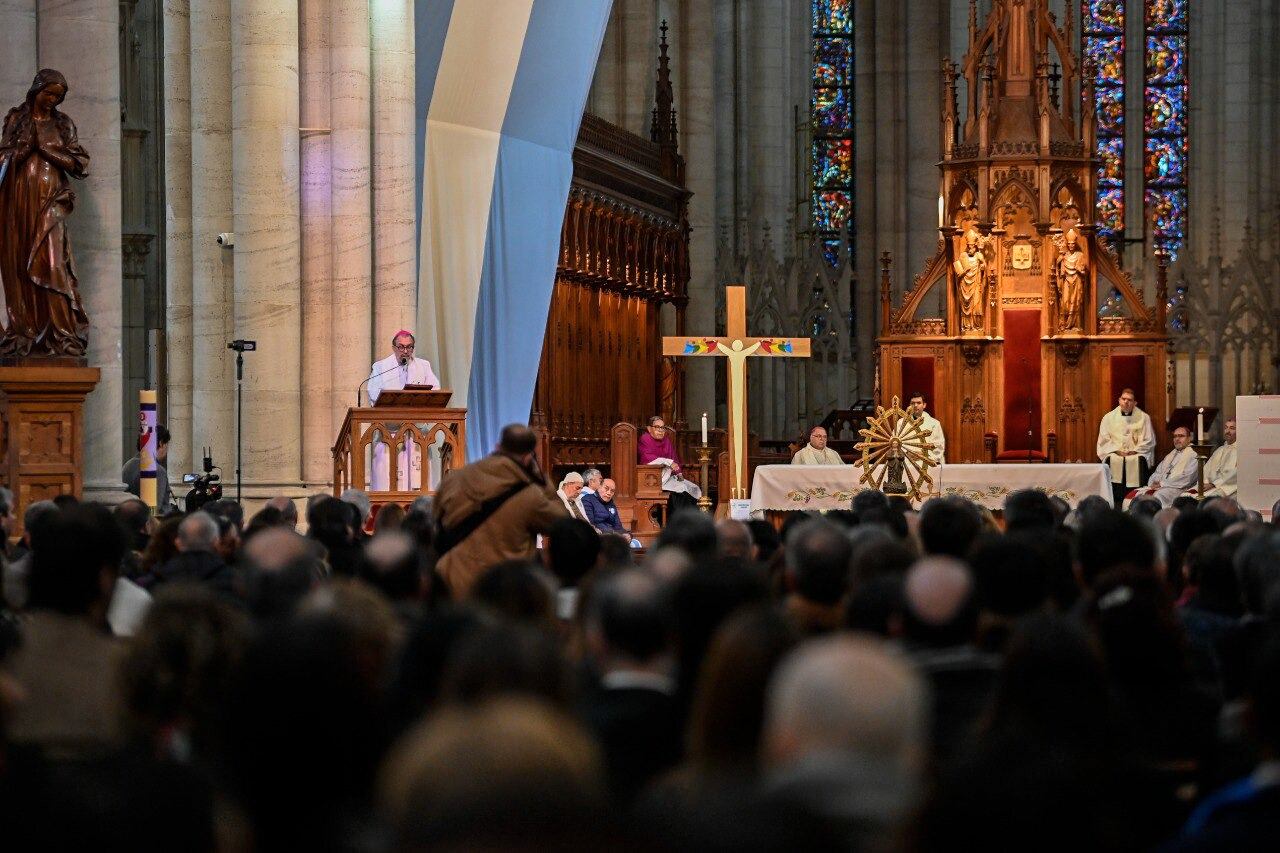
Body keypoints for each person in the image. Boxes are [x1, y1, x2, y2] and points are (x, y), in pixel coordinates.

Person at [0, 69, 91, 357]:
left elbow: (79, 163)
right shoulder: (17, 119)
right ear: (35, 90)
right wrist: (23, 150)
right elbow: (2, 159)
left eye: (58, 95)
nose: (52, 99)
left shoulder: (63, 124)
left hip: (51, 201)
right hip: (20, 201)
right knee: (20, 265)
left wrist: (47, 151)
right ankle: (25, 331)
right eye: (48, 93)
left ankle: (61, 334)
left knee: (53, 264)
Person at [432, 423, 566, 599]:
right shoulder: (531, 496)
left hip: (454, 584)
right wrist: (542, 479)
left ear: (498, 446)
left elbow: (435, 523)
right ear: (528, 458)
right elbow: (563, 525)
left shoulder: (455, 480)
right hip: (504, 592)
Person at [367, 330, 441, 491]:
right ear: (394, 347)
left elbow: (436, 390)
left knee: (417, 482)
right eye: (401, 347)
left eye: (409, 347)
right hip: (389, 433)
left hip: (416, 435)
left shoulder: (423, 366)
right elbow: (373, 393)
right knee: (387, 482)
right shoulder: (381, 367)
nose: (405, 351)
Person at [1097, 388, 1157, 505]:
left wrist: (1135, 451)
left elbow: (1149, 440)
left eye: (1129, 400)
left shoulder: (1144, 418)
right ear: (1119, 400)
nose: (1126, 402)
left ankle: (1137, 500)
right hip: (1115, 453)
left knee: (1138, 460)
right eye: (1123, 399)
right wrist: (1116, 450)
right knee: (1113, 460)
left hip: (1136, 453)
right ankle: (1115, 500)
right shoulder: (1108, 418)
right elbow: (1104, 440)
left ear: (1135, 403)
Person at [637, 415, 702, 509]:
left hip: (668, 477)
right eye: (657, 427)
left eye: (662, 427)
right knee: (681, 491)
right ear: (649, 428)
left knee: (692, 487)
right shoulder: (645, 439)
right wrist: (668, 462)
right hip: (653, 478)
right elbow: (647, 458)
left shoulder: (666, 440)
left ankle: (692, 519)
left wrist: (679, 473)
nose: (660, 430)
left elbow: (673, 458)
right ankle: (678, 521)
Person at [1127, 426, 1196, 508]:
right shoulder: (1171, 454)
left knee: (1159, 496)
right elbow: (1158, 472)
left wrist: (1162, 484)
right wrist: (1154, 482)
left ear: (1189, 438)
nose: (1177, 439)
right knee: (1135, 495)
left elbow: (1187, 478)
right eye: (1175, 436)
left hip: (1179, 488)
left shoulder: (1194, 454)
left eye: (1181, 436)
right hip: (1163, 487)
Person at [122, 422, 174, 510]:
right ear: (161, 443)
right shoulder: (157, 470)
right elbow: (155, 509)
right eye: (167, 444)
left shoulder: (127, 466)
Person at [1187, 417, 1236, 499]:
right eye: (1226, 427)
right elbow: (1206, 469)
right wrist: (1204, 483)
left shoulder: (1241, 452)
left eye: (1232, 428)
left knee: (1204, 500)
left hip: (1227, 488)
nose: (1227, 431)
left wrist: (1213, 484)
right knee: (1185, 496)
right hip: (1210, 486)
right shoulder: (1220, 450)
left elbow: (1235, 474)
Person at [908, 392, 945, 465]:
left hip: (927, 462)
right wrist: (907, 453)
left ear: (924, 405)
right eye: (912, 403)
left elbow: (938, 446)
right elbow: (895, 443)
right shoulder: (901, 423)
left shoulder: (934, 424)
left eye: (919, 403)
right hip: (907, 462)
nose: (915, 405)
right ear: (910, 405)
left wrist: (923, 454)